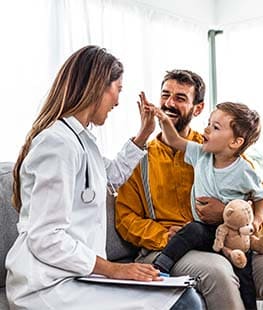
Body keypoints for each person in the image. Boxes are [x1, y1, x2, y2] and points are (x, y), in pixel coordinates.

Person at [5, 46, 203, 310]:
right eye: (118, 89)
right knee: (184, 303)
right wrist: (113, 269)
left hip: (77, 276)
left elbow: (109, 176)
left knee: (179, 292)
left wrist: (143, 135)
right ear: (99, 86)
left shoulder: (81, 139)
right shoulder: (57, 144)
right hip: (48, 284)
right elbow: (45, 237)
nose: (118, 102)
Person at [115, 69, 263, 310]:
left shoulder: (217, 149)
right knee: (218, 272)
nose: (169, 103)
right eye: (165, 95)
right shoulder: (139, 158)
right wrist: (165, 236)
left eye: (180, 98)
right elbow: (125, 218)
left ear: (198, 108)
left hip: (223, 240)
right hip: (168, 250)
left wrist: (228, 212)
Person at [151, 101, 263, 309]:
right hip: (206, 231)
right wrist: (163, 119)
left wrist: (257, 222)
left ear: (235, 142)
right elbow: (173, 139)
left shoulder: (243, 170)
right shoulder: (201, 154)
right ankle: (161, 266)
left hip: (235, 237)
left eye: (215, 127)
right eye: (209, 123)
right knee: (192, 230)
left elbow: (262, 197)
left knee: (244, 277)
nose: (206, 129)